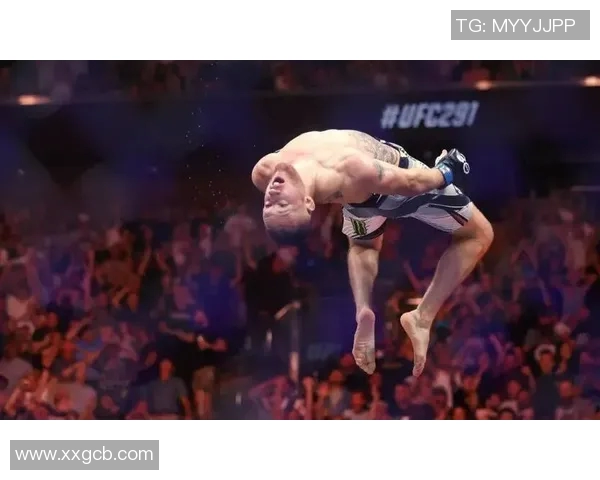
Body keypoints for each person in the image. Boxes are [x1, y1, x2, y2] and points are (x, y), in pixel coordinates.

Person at [252, 130, 493, 377]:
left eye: (268, 205)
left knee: (363, 246)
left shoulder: (264, 172)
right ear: (307, 202)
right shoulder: (350, 168)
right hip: (391, 188)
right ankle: (422, 317)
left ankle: (363, 310)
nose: (273, 195)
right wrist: (446, 170)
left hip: (357, 201)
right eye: (282, 204)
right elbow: (413, 183)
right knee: (480, 235)